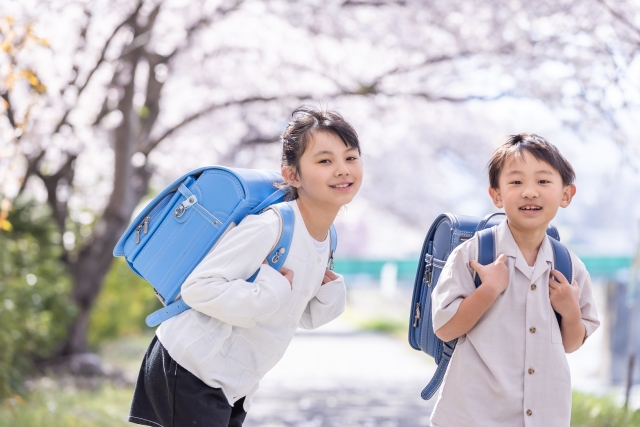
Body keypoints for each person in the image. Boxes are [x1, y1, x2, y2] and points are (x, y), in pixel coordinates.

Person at [128, 106, 363, 427]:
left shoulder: (323, 238)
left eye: (350, 158)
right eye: (325, 160)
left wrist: (330, 291)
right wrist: (270, 291)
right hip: (192, 367)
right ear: (292, 175)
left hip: (232, 382)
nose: (342, 170)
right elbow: (198, 288)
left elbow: (292, 315)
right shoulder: (271, 227)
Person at [430, 134, 600, 427]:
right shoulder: (473, 254)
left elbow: (570, 344)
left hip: (545, 416)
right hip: (474, 415)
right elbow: (445, 328)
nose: (530, 192)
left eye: (543, 182)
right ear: (496, 195)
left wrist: (570, 310)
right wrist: (489, 290)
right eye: (516, 182)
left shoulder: (569, 265)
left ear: (566, 195)